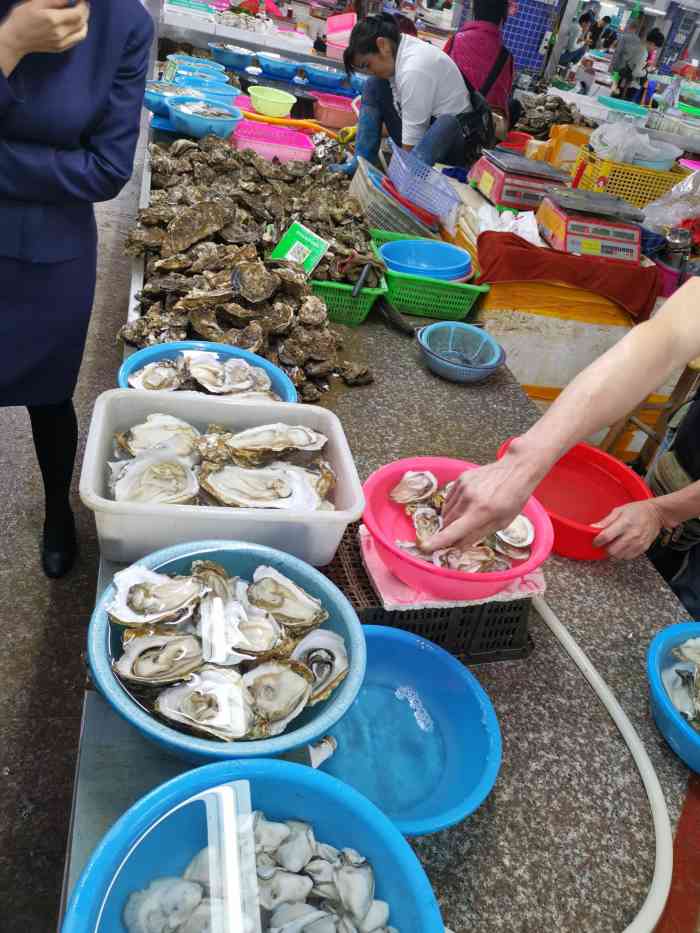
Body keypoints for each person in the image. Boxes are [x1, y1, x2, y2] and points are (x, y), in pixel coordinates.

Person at [424, 277, 700, 615]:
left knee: (683, 611)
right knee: (654, 561)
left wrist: (664, 511)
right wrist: (523, 461)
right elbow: (667, 338)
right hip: (686, 459)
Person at [0, 0, 154, 577]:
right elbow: (76, 165)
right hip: (51, 213)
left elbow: (108, 167)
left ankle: (57, 510)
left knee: (49, 394)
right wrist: (9, 44)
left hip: (51, 252)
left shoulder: (125, 24)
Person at [330, 14, 473, 175]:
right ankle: (361, 163)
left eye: (367, 65)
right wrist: (360, 131)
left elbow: (413, 138)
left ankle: (405, 179)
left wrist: (399, 176)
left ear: (382, 45)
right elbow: (401, 110)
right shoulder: (397, 48)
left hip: (450, 146)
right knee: (373, 84)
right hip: (429, 129)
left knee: (447, 123)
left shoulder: (414, 69)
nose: (371, 72)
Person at [444, 0, 515, 128]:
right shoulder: (506, 57)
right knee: (514, 105)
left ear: (475, 11)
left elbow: (438, 78)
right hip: (480, 133)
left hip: (447, 123)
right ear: (502, 17)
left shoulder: (456, 41)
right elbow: (501, 102)